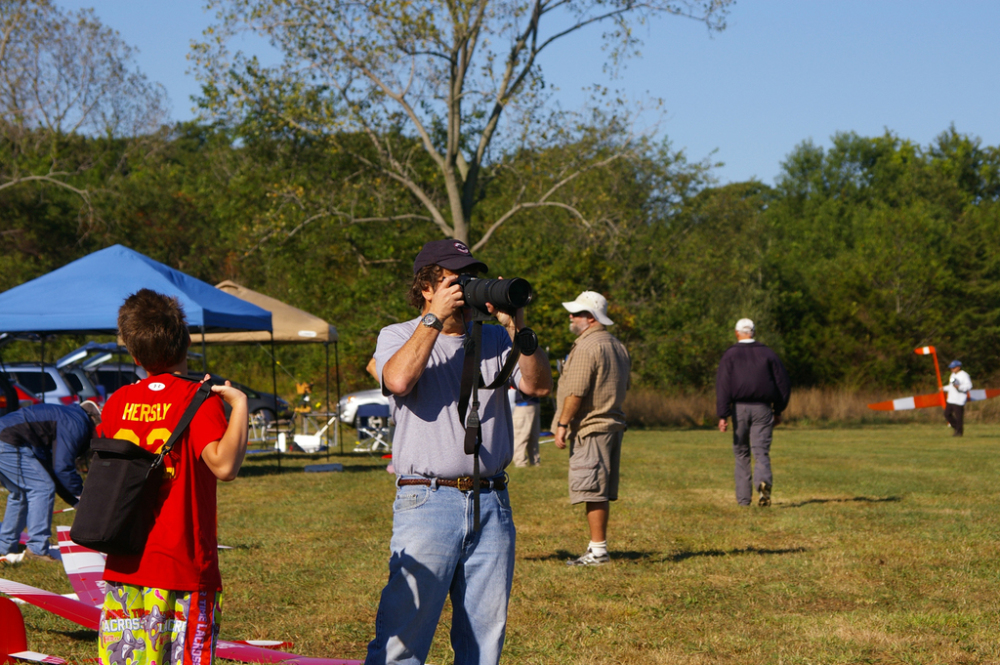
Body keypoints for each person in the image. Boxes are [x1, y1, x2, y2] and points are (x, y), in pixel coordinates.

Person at [366, 239, 551, 665]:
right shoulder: (397, 335)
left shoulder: (496, 341)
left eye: (471, 279)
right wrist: (434, 320)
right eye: (455, 280)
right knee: (403, 636)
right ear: (426, 286)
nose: (466, 289)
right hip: (428, 499)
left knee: (484, 642)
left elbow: (539, 386)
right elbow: (397, 381)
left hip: (492, 502)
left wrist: (516, 327)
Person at [96, 289, 249, 665]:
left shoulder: (116, 403)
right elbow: (225, 467)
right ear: (186, 344)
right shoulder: (200, 399)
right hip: (183, 568)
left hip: (125, 562)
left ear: (133, 354)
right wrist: (240, 404)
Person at [553, 291, 631, 567]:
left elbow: (576, 391)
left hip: (591, 427)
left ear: (590, 317)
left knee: (591, 490)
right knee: (597, 489)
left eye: (576, 313)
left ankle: (598, 551)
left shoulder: (587, 347)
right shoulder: (616, 345)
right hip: (612, 424)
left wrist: (562, 424)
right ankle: (595, 546)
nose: (571, 317)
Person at [0, 401, 100, 563]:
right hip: (8, 440)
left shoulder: (65, 417)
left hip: (5, 439)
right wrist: (80, 494)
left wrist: (75, 502)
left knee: (21, 494)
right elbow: (62, 468)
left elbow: (53, 471)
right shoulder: (77, 423)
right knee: (42, 489)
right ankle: (37, 550)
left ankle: (4, 546)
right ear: (94, 421)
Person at [716, 318, 791, 507]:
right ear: (754, 332)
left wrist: (723, 415)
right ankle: (763, 483)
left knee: (741, 453)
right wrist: (778, 410)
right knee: (761, 451)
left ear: (736, 333)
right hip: (763, 408)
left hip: (739, 408)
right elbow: (783, 384)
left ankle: (743, 500)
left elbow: (723, 386)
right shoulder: (768, 353)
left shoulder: (730, 355)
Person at [511, 388, 541, 467]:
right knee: (521, 436)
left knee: (533, 436)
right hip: (524, 404)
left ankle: (535, 462)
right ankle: (520, 463)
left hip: (533, 403)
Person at [944, 360, 972, 436]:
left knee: (959, 417)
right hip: (951, 399)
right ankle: (957, 427)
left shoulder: (964, 375)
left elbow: (969, 386)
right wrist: (943, 388)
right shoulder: (952, 375)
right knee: (947, 414)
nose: (952, 369)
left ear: (958, 367)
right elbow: (951, 386)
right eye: (951, 368)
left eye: (953, 368)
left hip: (959, 400)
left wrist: (959, 387)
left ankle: (959, 432)